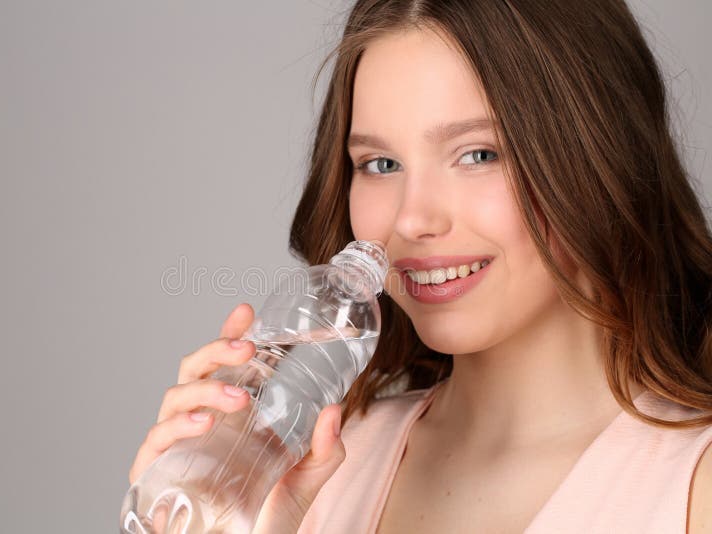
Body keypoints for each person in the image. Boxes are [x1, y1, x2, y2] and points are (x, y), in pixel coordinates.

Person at [128, 1, 712, 532]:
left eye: (477, 154)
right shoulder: (312, 471)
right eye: (380, 163)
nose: (412, 219)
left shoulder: (694, 486)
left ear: (598, 152)